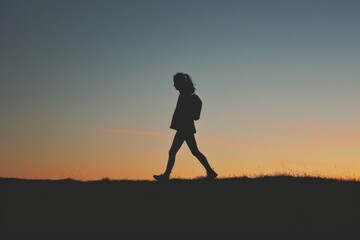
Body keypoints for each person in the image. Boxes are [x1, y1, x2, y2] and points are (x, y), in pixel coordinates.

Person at [154, 73, 217, 181]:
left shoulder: (186, 96)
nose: (174, 85)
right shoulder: (184, 94)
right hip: (185, 128)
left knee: (173, 152)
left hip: (184, 128)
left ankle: (166, 176)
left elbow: (191, 115)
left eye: (175, 83)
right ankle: (210, 172)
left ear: (180, 83)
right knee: (194, 151)